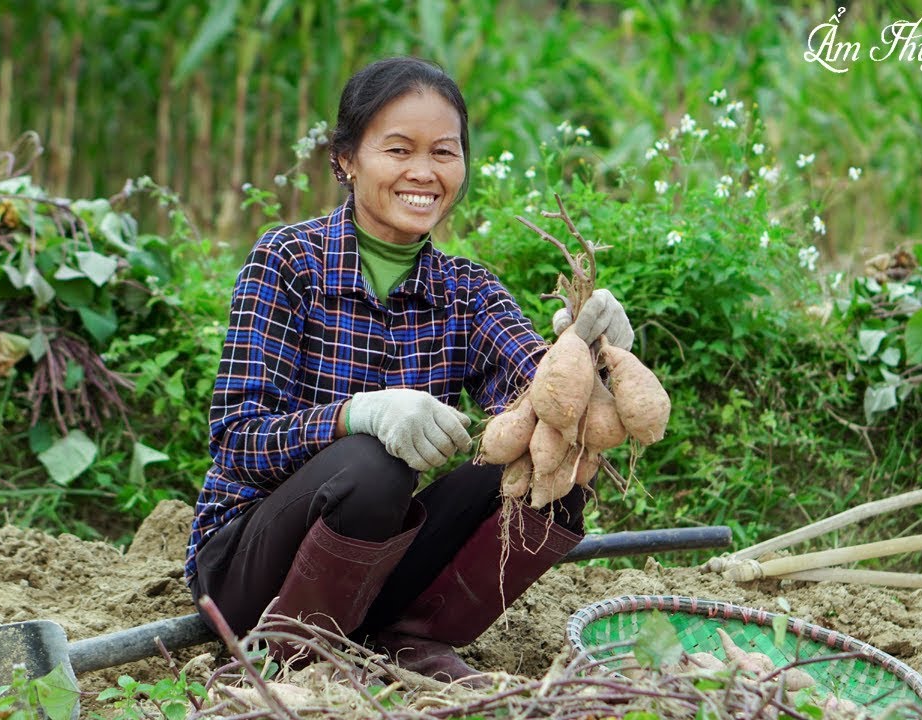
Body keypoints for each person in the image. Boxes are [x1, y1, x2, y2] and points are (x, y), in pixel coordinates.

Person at [184, 56, 635, 686]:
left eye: (444, 153)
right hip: (247, 574)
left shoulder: (467, 290)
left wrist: (588, 356)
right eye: (399, 149)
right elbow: (235, 440)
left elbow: (541, 397)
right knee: (374, 464)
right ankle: (294, 655)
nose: (423, 173)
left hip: (375, 574)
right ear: (345, 159)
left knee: (551, 471)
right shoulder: (288, 261)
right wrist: (356, 416)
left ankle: (408, 638)